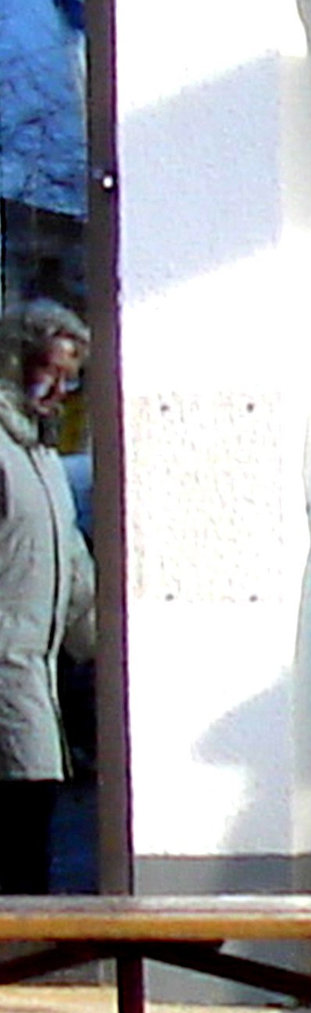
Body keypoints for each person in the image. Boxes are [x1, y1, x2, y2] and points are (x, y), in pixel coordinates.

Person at [0, 298, 95, 894]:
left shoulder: (41, 455)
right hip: (10, 660)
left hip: (37, 661)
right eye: (51, 373)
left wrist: (102, 649)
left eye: (71, 378)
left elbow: (74, 566)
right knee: (29, 800)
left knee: (35, 799)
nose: (61, 390)